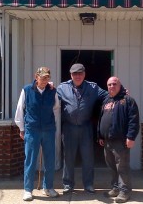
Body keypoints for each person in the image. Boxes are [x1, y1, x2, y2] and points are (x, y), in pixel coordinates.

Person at [56, 63, 108, 194]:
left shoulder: (93, 87)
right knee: (68, 157)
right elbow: (50, 98)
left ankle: (89, 184)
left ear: (84, 74)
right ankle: (68, 184)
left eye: (80, 73)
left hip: (86, 127)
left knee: (88, 157)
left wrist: (121, 93)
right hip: (68, 127)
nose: (77, 76)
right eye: (74, 74)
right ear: (71, 75)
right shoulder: (62, 88)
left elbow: (108, 95)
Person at [14, 67, 60, 201]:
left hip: (48, 130)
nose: (45, 80)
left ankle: (48, 187)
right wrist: (22, 128)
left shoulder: (52, 91)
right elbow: (20, 110)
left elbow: (56, 109)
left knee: (50, 160)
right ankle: (28, 190)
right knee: (30, 160)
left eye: (47, 77)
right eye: (42, 77)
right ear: (36, 76)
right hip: (32, 130)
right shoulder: (27, 90)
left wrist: (54, 127)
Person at [98, 76, 140, 203]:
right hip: (107, 140)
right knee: (112, 166)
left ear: (120, 85)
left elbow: (134, 120)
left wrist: (131, 137)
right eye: (109, 84)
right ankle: (116, 188)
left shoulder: (128, 100)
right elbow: (101, 119)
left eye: (114, 84)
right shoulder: (106, 100)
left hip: (120, 141)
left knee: (122, 167)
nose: (111, 86)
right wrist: (100, 135)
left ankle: (124, 191)